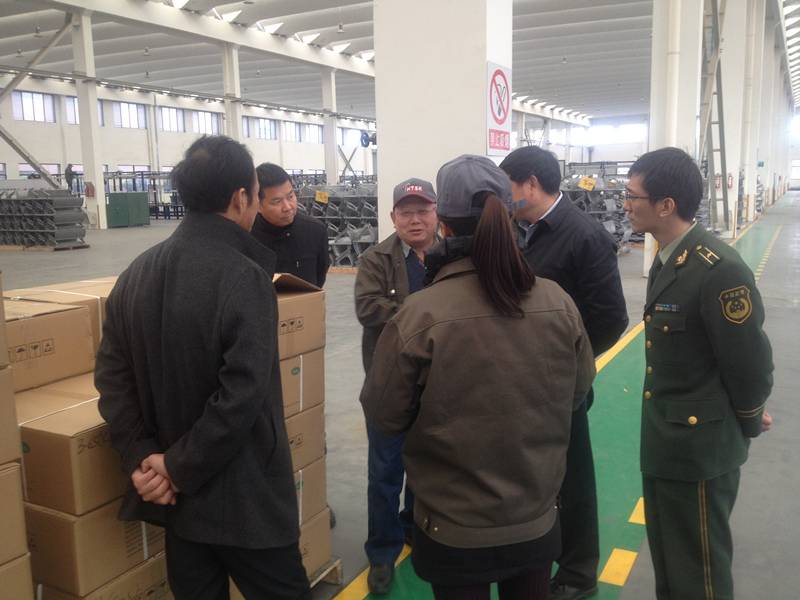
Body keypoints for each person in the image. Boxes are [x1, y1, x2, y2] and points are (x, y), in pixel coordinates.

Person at [361, 155, 596, 600]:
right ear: (509, 217)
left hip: (453, 531)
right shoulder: (558, 302)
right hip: (536, 522)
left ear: (444, 226)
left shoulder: (420, 315)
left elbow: (384, 413)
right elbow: (577, 393)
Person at [95, 136, 310, 600]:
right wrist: (177, 467)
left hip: (178, 504)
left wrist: (143, 458)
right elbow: (242, 395)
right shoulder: (244, 276)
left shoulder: (135, 274)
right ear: (240, 198)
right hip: (246, 501)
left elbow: (112, 379)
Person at [623, 147, 773, 600]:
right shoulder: (670, 258)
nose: (625, 204)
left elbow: (749, 364)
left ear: (665, 205)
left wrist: (749, 418)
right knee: (671, 563)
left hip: (700, 451)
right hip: (667, 442)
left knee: (699, 573)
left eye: (632, 196)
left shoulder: (718, 270)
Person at [500, 146, 628, 600]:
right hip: (522, 381)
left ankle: (578, 572)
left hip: (561, 385)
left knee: (571, 478)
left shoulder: (583, 236)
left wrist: (570, 365)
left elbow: (611, 318)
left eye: (508, 188)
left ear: (531, 184)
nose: (505, 199)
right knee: (533, 475)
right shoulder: (522, 230)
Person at [354, 177, 438, 594]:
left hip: (438, 384)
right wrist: (428, 316)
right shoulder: (376, 259)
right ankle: (382, 552)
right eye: (406, 212)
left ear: (436, 214)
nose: (415, 219)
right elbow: (368, 308)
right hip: (389, 384)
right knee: (385, 472)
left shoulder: (450, 255)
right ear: (393, 217)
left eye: (423, 211)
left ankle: (413, 528)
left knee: (427, 468)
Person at [250, 162, 329, 287]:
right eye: (277, 201)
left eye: (290, 196)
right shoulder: (247, 236)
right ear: (258, 205)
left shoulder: (315, 231)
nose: (287, 207)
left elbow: (319, 277)